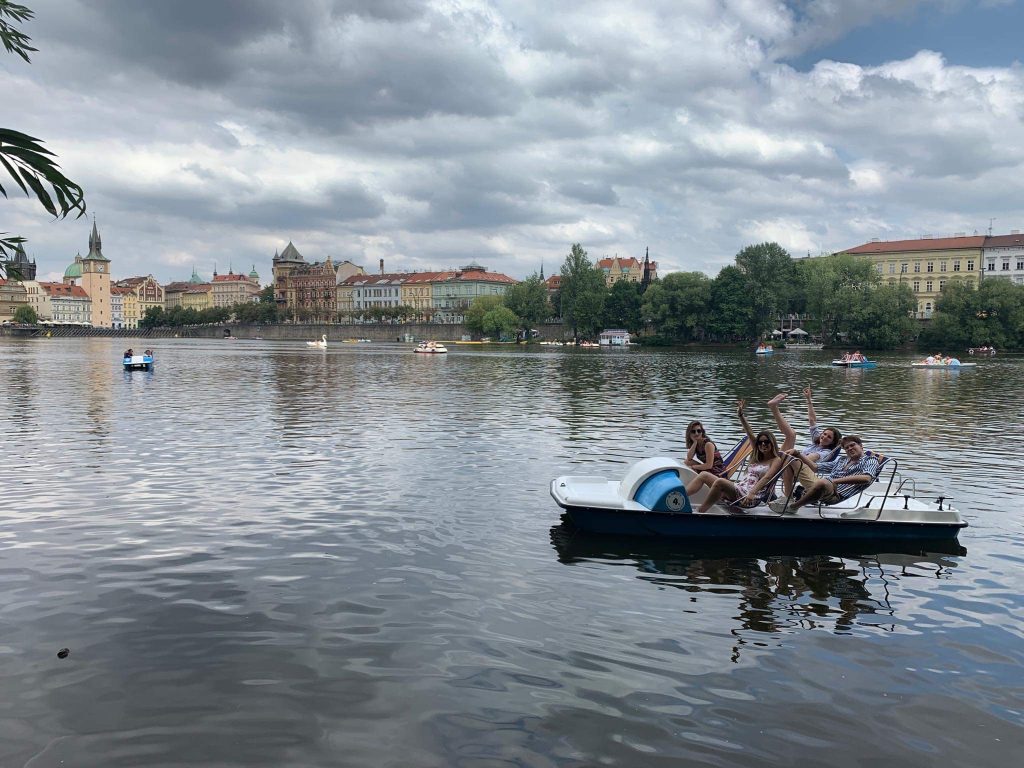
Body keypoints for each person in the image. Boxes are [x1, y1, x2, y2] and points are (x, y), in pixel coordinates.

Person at [686, 400, 784, 512]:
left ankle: (701, 511)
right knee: (704, 475)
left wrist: (752, 493)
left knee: (720, 482)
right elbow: (749, 433)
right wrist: (741, 415)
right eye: (760, 442)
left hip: (749, 496)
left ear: (772, 443)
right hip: (740, 488)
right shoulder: (757, 457)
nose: (763, 445)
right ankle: (680, 496)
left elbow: (766, 478)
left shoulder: (775, 460)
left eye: (766, 442)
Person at [772, 435, 881, 513]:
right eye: (847, 448)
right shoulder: (842, 460)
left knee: (823, 482)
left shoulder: (870, 460)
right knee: (790, 459)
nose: (850, 449)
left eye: (853, 445)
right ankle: (788, 498)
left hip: (835, 494)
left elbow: (867, 478)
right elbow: (815, 467)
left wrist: (834, 481)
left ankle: (793, 507)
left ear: (861, 446)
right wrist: (798, 454)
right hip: (823, 484)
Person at [767, 389, 842, 497]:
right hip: (787, 462)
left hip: (797, 469)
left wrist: (795, 454)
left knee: (791, 436)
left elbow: (811, 458)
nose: (824, 437)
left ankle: (774, 407)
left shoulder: (826, 452)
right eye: (824, 433)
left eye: (829, 437)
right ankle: (774, 407)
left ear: (832, 442)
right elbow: (812, 420)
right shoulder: (816, 442)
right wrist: (808, 399)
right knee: (791, 434)